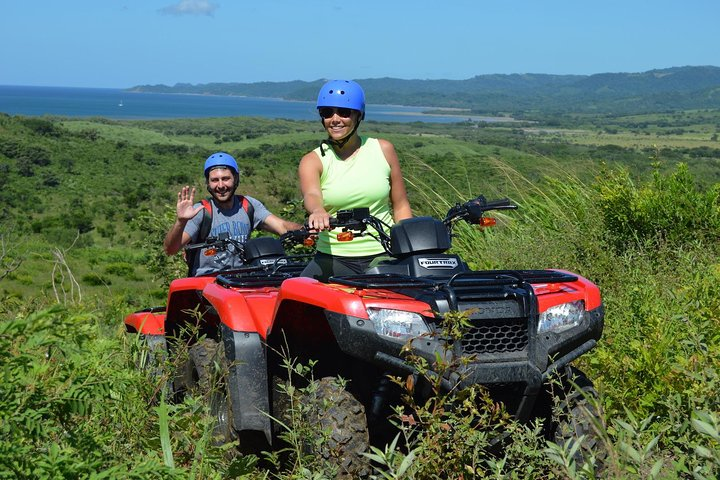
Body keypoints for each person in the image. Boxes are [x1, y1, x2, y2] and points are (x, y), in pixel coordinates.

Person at [298, 79, 412, 281]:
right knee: (295, 299)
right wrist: (317, 211)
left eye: (343, 112)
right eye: (327, 113)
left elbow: (401, 204)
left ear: (359, 115)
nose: (335, 119)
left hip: (384, 253)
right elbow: (312, 194)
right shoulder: (313, 160)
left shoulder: (383, 150)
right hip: (333, 258)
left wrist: (409, 248)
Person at [164, 152, 302, 276]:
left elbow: (282, 226)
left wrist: (305, 229)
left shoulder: (248, 205)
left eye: (225, 178)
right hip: (207, 281)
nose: (220, 185)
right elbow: (171, 249)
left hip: (242, 278)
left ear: (235, 179)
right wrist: (181, 221)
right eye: (214, 180)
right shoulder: (201, 211)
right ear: (207, 183)